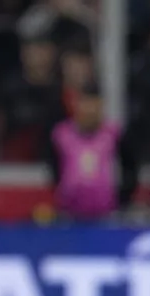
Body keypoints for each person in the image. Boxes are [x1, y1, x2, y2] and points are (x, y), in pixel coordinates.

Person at [47, 81, 138, 222]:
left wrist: (122, 199)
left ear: (101, 106)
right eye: (85, 103)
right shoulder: (61, 135)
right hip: (69, 214)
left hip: (108, 214)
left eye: (94, 104)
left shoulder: (114, 134)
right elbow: (54, 167)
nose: (89, 110)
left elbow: (130, 168)